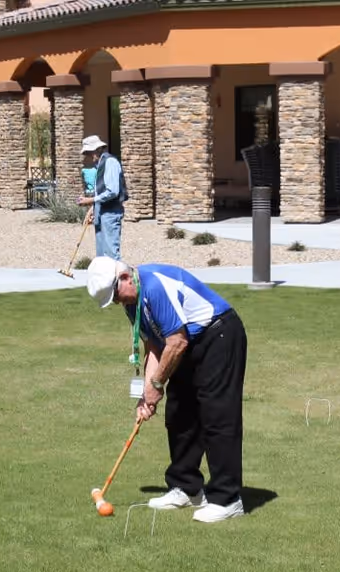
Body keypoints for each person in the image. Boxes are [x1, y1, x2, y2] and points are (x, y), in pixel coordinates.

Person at [86, 257, 248, 523]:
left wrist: (157, 386)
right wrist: (147, 396)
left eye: (115, 296)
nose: (117, 302)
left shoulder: (154, 287)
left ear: (124, 278)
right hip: (188, 343)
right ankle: (187, 487)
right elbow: (154, 348)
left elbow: (176, 342)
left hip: (219, 334)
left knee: (217, 415)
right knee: (179, 412)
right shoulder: (132, 303)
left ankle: (227, 499)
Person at [77, 135, 127, 260]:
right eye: (87, 153)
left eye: (90, 152)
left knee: (111, 254)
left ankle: (119, 278)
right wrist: (93, 208)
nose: (89, 156)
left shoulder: (110, 162)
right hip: (101, 212)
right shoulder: (99, 165)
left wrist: (91, 200)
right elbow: (100, 190)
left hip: (111, 213)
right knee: (101, 256)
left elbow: (113, 191)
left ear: (98, 149)